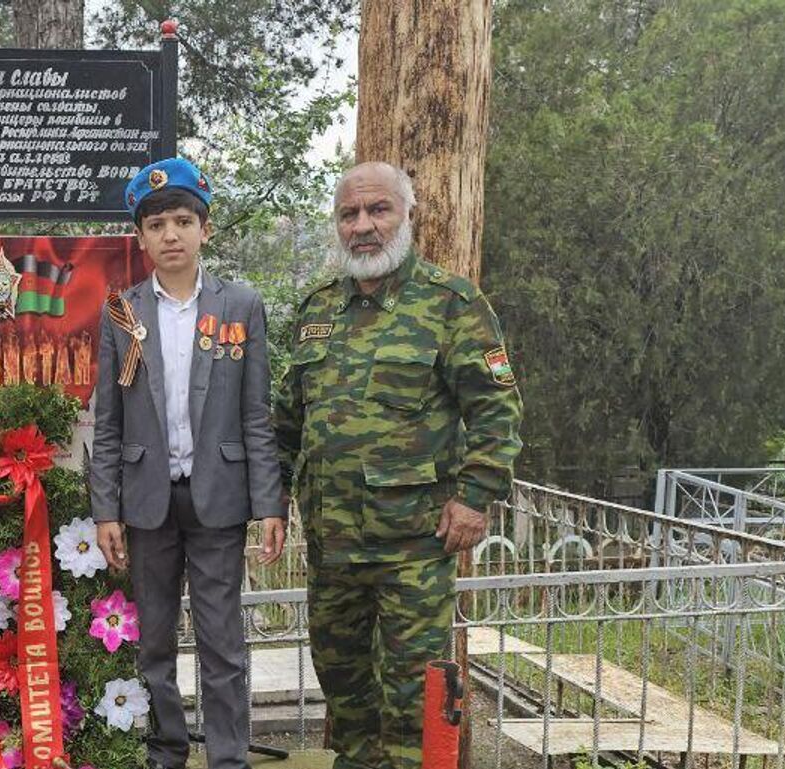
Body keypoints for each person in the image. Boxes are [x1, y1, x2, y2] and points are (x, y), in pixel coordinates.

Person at [273, 161, 524, 769]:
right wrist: (272, 500)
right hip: (333, 549)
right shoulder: (317, 310)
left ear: (408, 216)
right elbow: (288, 419)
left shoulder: (451, 304)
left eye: (378, 210)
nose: (363, 225)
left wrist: (474, 496)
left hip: (413, 546)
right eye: (349, 214)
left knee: (415, 693)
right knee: (344, 682)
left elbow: (497, 409)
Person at [88, 158, 288, 769]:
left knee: (222, 639)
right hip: (148, 498)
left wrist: (270, 504)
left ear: (204, 229)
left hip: (219, 497)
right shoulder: (122, 312)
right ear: (141, 237)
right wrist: (106, 510)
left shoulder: (240, 305)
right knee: (153, 640)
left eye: (182, 220)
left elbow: (257, 412)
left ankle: (228, 756)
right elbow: (108, 421)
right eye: (156, 224)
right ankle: (166, 748)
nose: (170, 234)